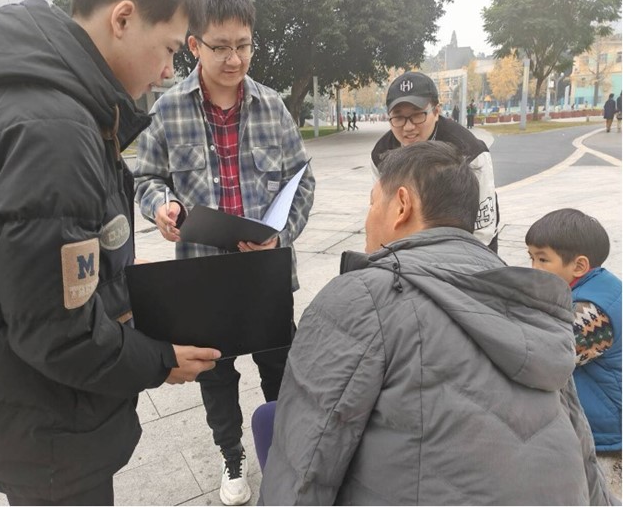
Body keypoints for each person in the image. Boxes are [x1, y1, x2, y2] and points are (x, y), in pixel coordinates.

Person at [0, 0, 222, 505]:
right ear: (123, 19)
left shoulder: (46, 99)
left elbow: (43, 265)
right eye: (169, 48)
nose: (167, 71)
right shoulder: (54, 131)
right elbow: (57, 332)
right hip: (46, 425)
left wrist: (119, 270)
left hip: (24, 402)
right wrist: (160, 360)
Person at [258, 142, 612, 505]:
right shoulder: (528, 296)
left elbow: (305, 464)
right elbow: (582, 449)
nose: (367, 219)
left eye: (372, 203)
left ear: (401, 205)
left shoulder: (363, 296)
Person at [133, 0, 315, 504]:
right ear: (194, 44)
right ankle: (231, 454)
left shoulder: (273, 107)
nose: (234, 58)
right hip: (202, 274)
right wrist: (161, 206)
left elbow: (302, 180)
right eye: (220, 47)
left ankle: (285, 451)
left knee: (280, 367)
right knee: (214, 375)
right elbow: (145, 178)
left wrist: (281, 235)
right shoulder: (168, 110)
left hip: (264, 272)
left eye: (244, 45)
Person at [526, 208, 622, 494]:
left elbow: (549, 358)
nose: (534, 268)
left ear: (579, 266)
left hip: (607, 436)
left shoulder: (592, 313)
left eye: (543, 259)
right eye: (531, 257)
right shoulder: (599, 287)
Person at [370, 71, 499, 252]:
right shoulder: (381, 155)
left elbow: (483, 230)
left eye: (417, 115)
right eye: (398, 117)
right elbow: (383, 212)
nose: (408, 127)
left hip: (465, 248)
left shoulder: (470, 152)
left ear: (436, 111)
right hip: (408, 248)